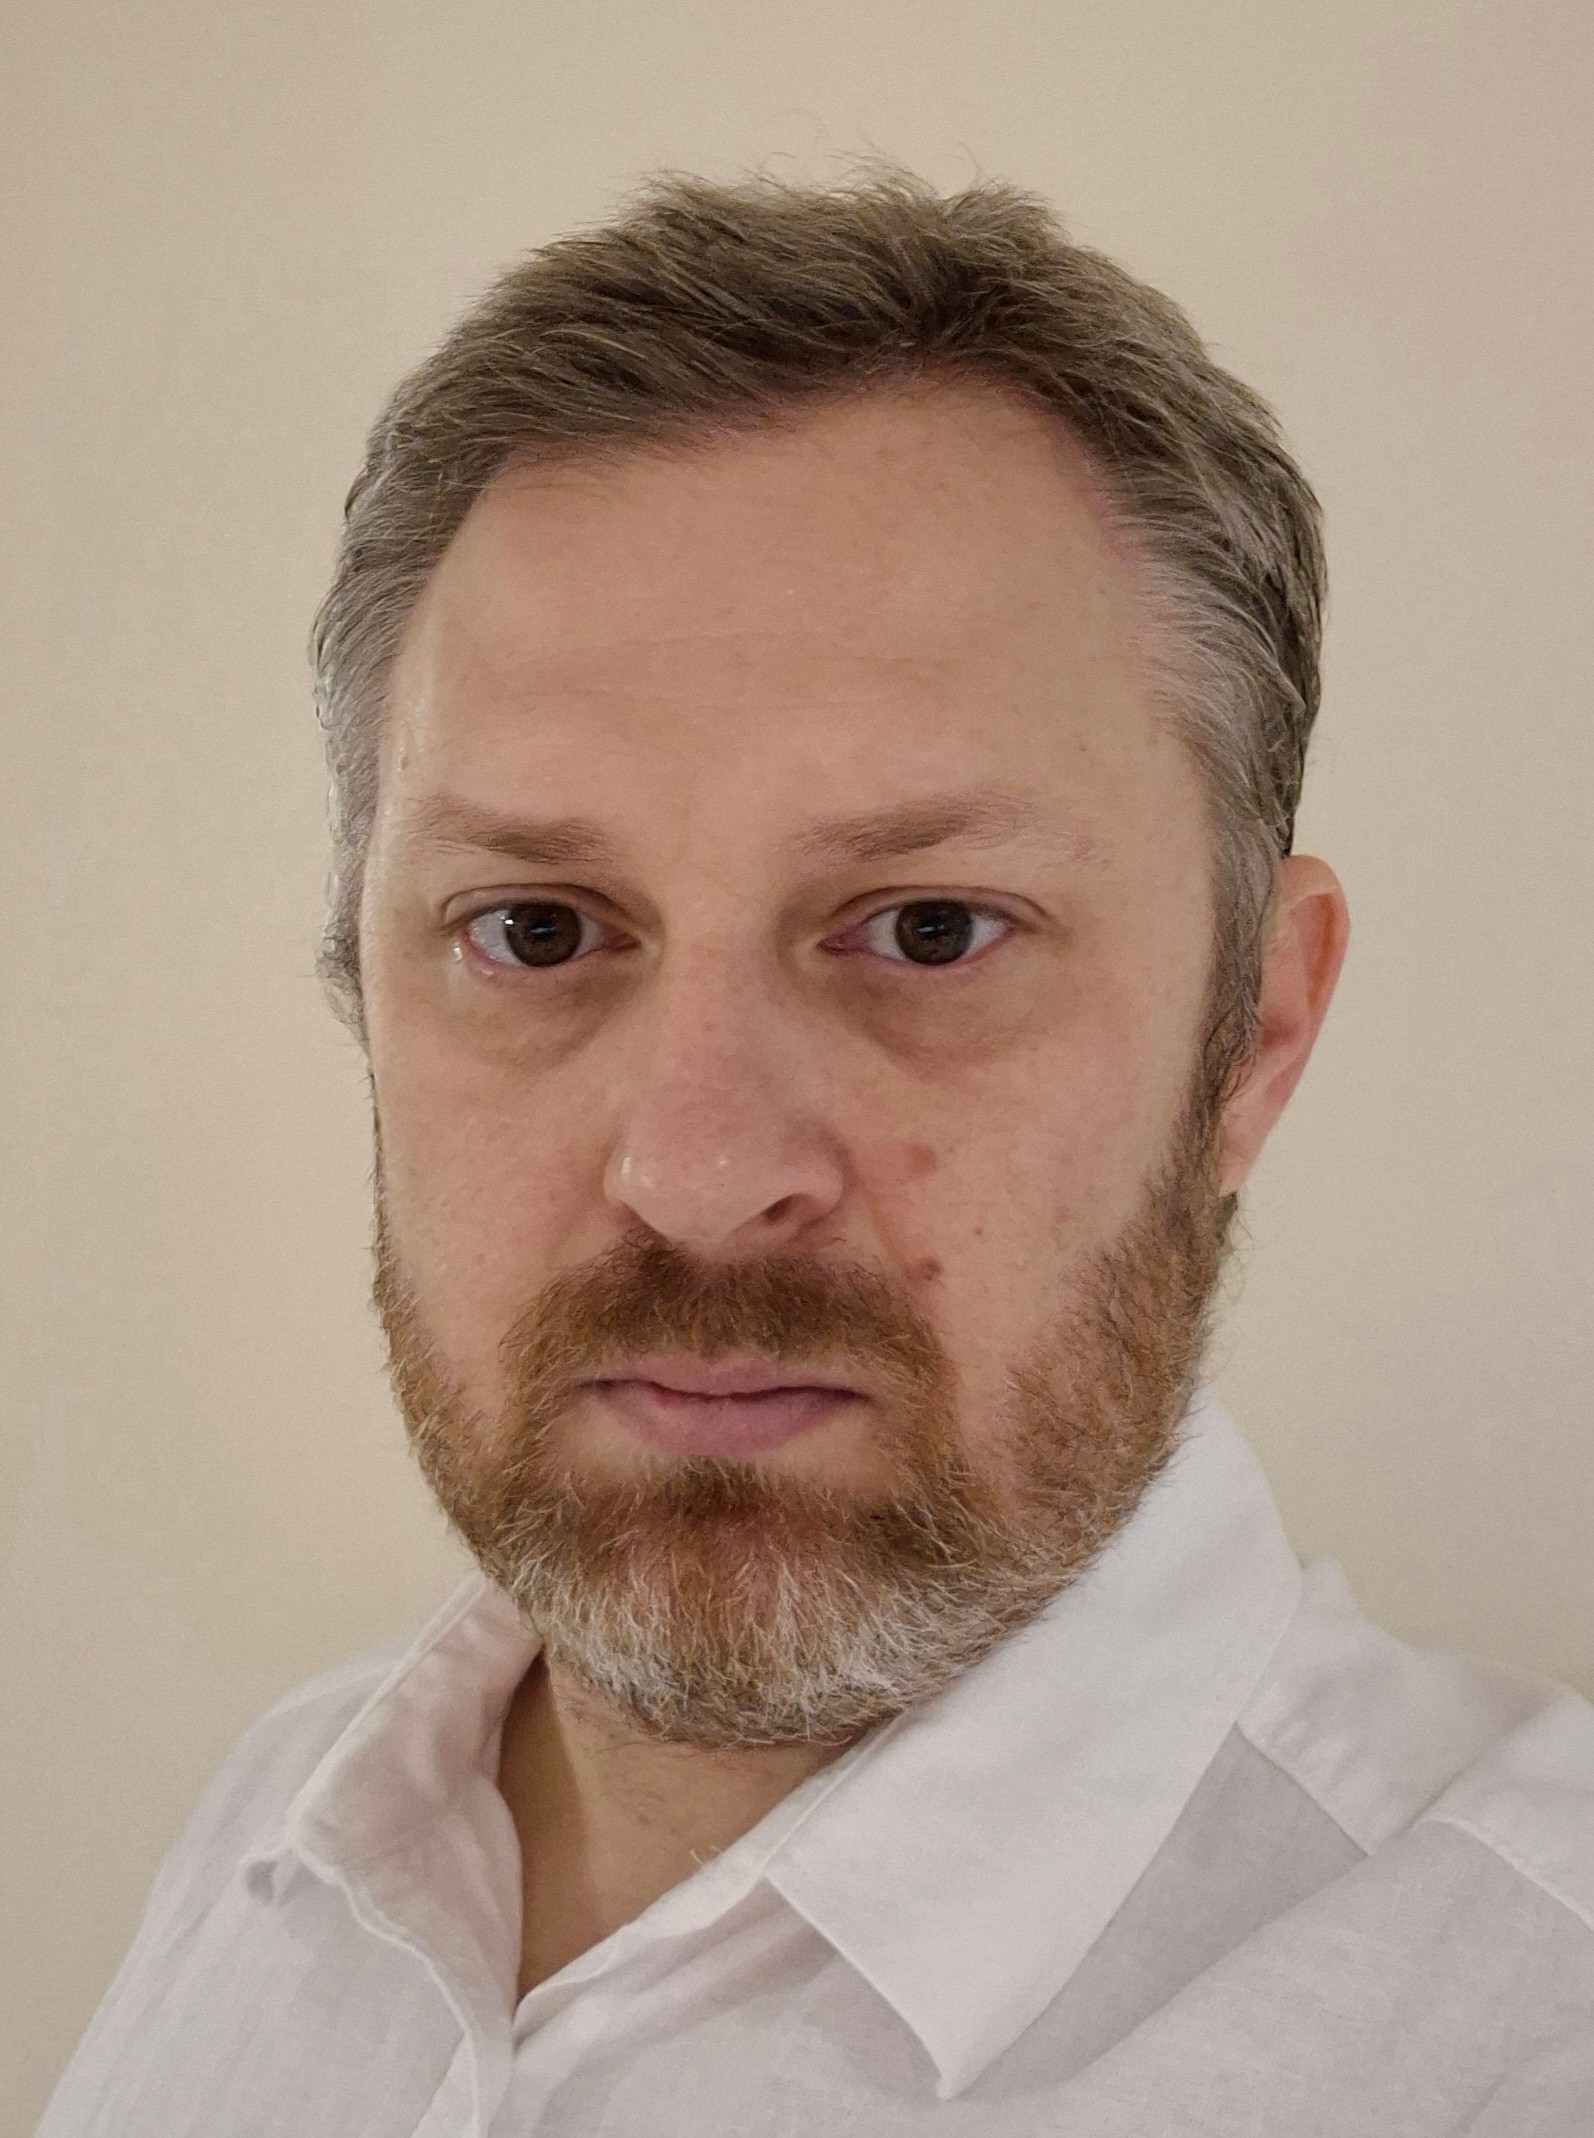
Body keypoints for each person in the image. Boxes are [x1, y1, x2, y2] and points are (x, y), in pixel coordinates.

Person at [38, 170, 1593, 2137]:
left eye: (927, 930)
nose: (698, 1173)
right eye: (535, 928)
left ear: (1253, 1033)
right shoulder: (280, 1827)